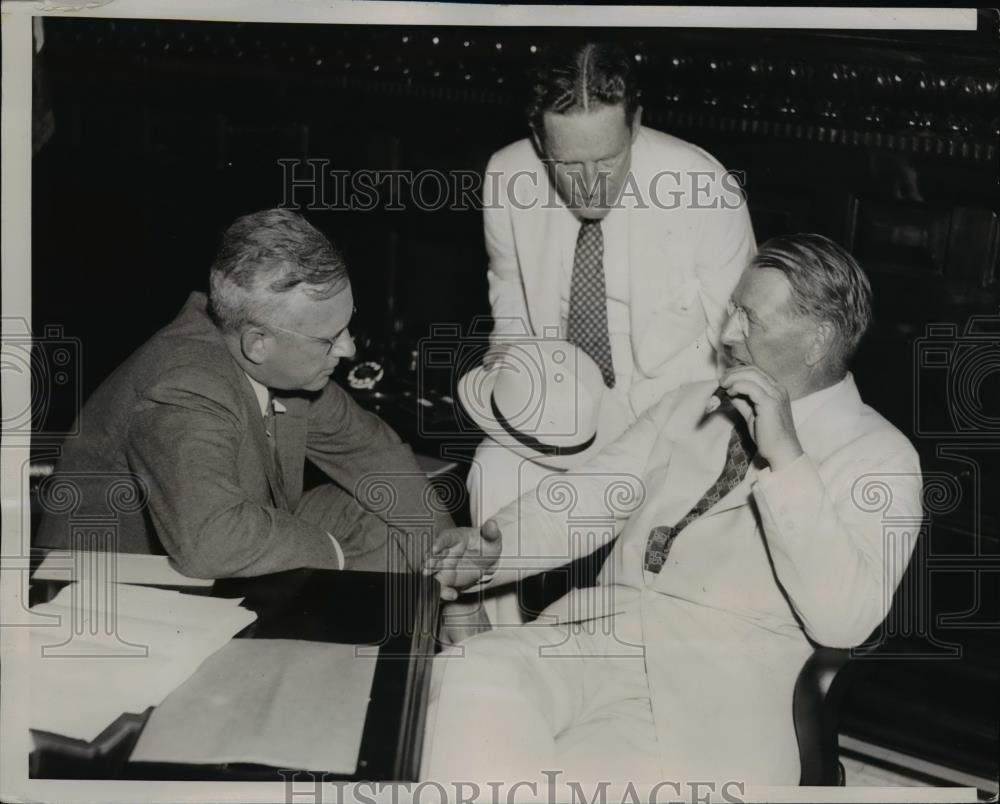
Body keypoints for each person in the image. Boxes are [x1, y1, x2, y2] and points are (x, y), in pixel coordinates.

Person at [424, 234, 923, 787]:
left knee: (573, 778)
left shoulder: (881, 456)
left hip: (713, 695)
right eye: (731, 309)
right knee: (463, 681)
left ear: (817, 341)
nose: (726, 334)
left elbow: (845, 620)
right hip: (594, 638)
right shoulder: (688, 403)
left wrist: (789, 460)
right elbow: (590, 497)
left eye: (750, 320)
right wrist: (497, 548)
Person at [467, 41, 756, 604]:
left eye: (608, 160)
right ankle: (488, 657)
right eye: (568, 165)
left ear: (637, 124)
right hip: (563, 404)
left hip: (677, 414)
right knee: (490, 475)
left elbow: (743, 347)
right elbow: (509, 294)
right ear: (536, 138)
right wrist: (509, 364)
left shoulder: (703, 186)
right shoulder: (506, 176)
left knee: (632, 583)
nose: (591, 185)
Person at [36, 208, 452, 580]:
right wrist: (336, 556)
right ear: (258, 344)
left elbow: (368, 449)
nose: (349, 349)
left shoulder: (268, 352)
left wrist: (450, 554)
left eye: (348, 325)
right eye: (329, 338)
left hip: (219, 535)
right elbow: (213, 543)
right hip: (112, 587)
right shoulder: (183, 387)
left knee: (390, 516)